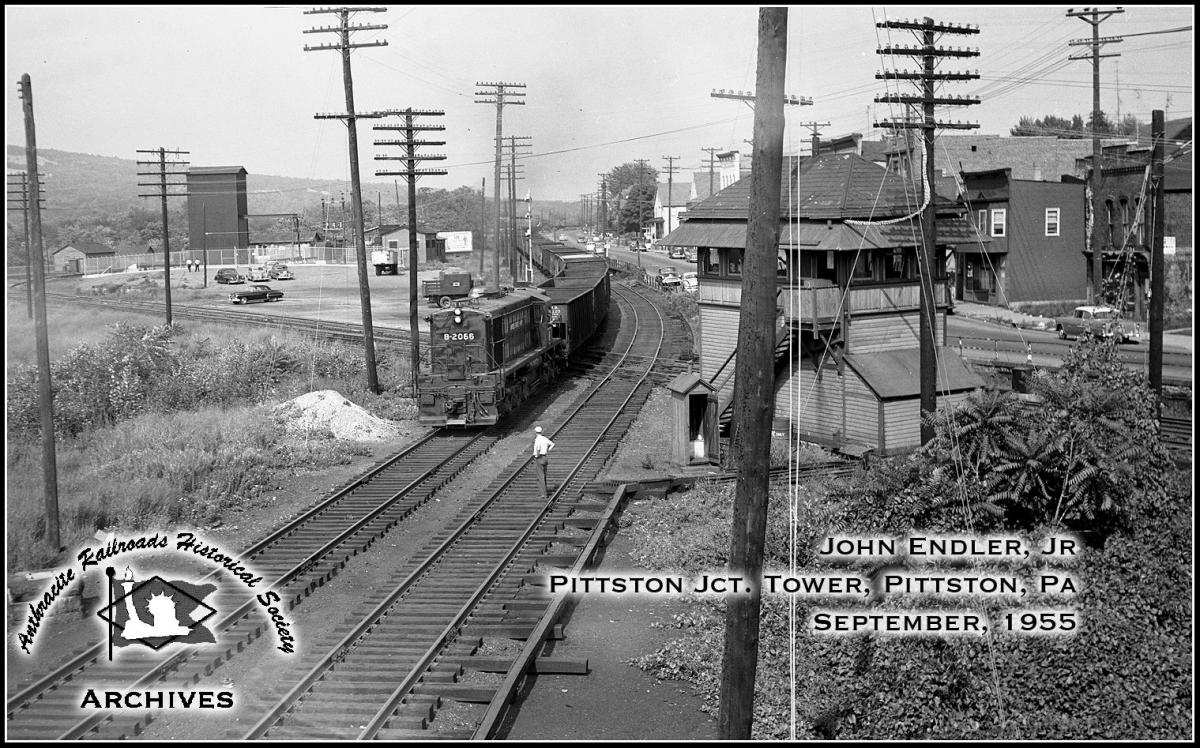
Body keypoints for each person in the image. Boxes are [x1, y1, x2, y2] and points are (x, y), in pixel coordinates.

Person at [532, 425, 555, 498]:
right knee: (544, 476)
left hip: (540, 458)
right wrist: (548, 450)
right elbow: (552, 444)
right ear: (541, 432)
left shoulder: (537, 440)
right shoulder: (544, 438)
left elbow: (538, 449)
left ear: (535, 432)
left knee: (540, 477)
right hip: (545, 458)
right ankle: (544, 493)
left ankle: (543, 494)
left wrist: (537, 456)